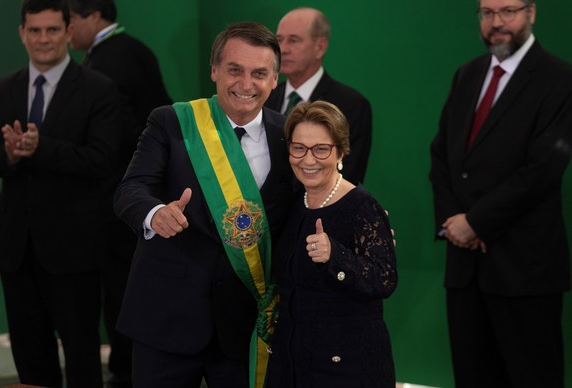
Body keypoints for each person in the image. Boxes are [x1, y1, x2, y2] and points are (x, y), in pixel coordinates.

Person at [113, 22, 296, 387]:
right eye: (234, 70)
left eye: (259, 73)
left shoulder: (289, 133)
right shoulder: (173, 121)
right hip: (167, 317)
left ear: (275, 79)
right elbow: (130, 189)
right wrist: (154, 214)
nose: (246, 84)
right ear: (214, 70)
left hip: (246, 324)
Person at [429, 1, 572, 387]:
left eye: (507, 11)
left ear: (532, 13)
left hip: (524, 271)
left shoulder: (560, 79)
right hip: (464, 270)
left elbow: (544, 168)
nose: (497, 23)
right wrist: (453, 223)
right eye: (487, 13)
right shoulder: (467, 76)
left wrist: (476, 222)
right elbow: (442, 155)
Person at [0, 0, 122, 387]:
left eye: (51, 30)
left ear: (68, 32)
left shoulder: (99, 89)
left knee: (82, 358)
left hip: (75, 252)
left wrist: (41, 148)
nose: (42, 39)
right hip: (16, 250)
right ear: (21, 34)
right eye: (34, 30)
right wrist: (10, 156)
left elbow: (103, 160)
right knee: (30, 359)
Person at [68, 1, 172, 386]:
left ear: (94, 17)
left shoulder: (106, 63)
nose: (66, 31)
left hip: (120, 201)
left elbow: (117, 139)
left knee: (119, 289)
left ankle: (125, 371)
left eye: (71, 21)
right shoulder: (134, 50)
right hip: (141, 197)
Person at [266, 100, 398, 387]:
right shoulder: (292, 204)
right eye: (298, 147)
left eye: (321, 149)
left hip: (346, 367)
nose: (308, 160)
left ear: (341, 151)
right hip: (291, 361)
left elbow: (384, 280)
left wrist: (335, 255)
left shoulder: (361, 205)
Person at [265, 7, 372, 185]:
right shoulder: (265, 97)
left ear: (320, 47)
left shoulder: (351, 105)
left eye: (294, 40)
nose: (282, 49)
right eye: (279, 40)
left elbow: (349, 176)